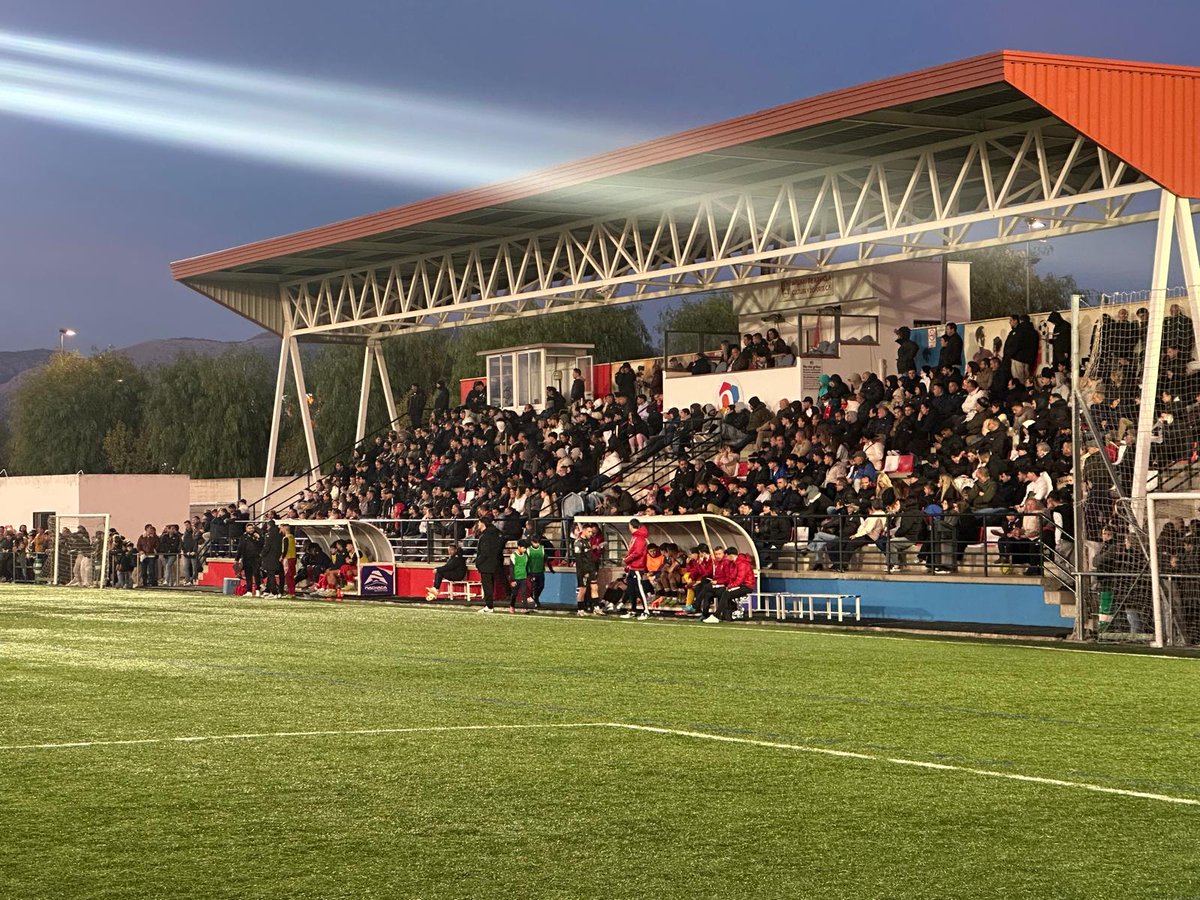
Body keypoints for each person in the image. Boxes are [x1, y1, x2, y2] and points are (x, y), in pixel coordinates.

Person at [474, 516, 509, 613]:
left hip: (486, 564)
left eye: (479, 523)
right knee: (493, 583)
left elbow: (484, 552)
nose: (478, 525)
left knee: (487, 586)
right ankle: (507, 596)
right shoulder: (496, 533)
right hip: (496, 562)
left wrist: (478, 562)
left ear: (483, 524)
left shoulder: (485, 536)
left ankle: (489, 606)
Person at [712, 547, 755, 622]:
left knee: (726, 593)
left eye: (727, 556)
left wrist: (730, 586)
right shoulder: (732, 563)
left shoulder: (742, 564)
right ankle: (726, 616)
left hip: (746, 586)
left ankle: (717, 615)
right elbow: (731, 577)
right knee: (722, 592)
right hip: (738, 585)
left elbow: (740, 579)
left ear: (730, 555)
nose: (726, 558)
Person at [621, 518, 650, 619]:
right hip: (632, 567)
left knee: (639, 589)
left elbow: (637, 553)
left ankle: (646, 611)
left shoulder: (640, 538)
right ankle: (633, 610)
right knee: (631, 589)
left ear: (631, 526)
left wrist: (626, 560)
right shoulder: (635, 537)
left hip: (637, 567)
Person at [572, 523, 603, 616]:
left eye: (591, 532)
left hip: (591, 568)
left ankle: (596, 608)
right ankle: (580, 610)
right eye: (589, 531)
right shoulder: (578, 542)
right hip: (583, 570)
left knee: (595, 587)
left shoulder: (588, 541)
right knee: (582, 590)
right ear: (584, 531)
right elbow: (578, 559)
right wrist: (582, 572)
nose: (591, 533)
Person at [237, 523, 263, 597]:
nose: (251, 529)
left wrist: (259, 538)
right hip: (246, 558)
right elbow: (240, 548)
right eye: (249, 528)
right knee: (248, 575)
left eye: (252, 528)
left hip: (256, 558)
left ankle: (258, 590)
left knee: (256, 574)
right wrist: (237, 558)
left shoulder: (257, 536)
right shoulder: (243, 537)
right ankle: (249, 590)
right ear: (246, 529)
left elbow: (262, 545)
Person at [527, 533, 552, 608]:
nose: (537, 544)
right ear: (532, 542)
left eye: (538, 542)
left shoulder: (542, 548)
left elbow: (546, 558)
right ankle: (537, 602)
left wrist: (550, 568)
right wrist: (528, 572)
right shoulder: (528, 550)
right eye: (535, 542)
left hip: (540, 571)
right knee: (535, 587)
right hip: (533, 572)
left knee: (541, 586)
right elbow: (526, 561)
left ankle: (533, 597)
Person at [260, 518, 284, 598]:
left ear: (269, 526)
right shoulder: (280, 534)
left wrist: (262, 554)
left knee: (270, 574)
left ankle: (274, 592)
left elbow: (267, 547)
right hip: (278, 556)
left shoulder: (269, 534)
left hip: (270, 557)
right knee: (272, 574)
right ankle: (267, 590)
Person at [136, 524, 159, 588]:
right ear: (146, 529)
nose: (151, 530)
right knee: (144, 570)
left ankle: (151, 582)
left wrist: (155, 549)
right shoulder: (142, 537)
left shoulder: (155, 537)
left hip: (151, 555)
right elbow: (138, 545)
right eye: (149, 528)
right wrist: (140, 550)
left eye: (151, 528)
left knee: (151, 570)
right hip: (144, 556)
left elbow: (157, 545)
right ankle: (144, 582)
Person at [280, 523, 297, 596]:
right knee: (291, 576)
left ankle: (291, 593)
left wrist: (282, 557)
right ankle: (292, 592)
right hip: (293, 558)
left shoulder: (286, 538)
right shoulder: (292, 537)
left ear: (284, 529)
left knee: (288, 576)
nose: (280, 530)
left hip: (288, 558)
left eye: (281, 528)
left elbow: (285, 549)